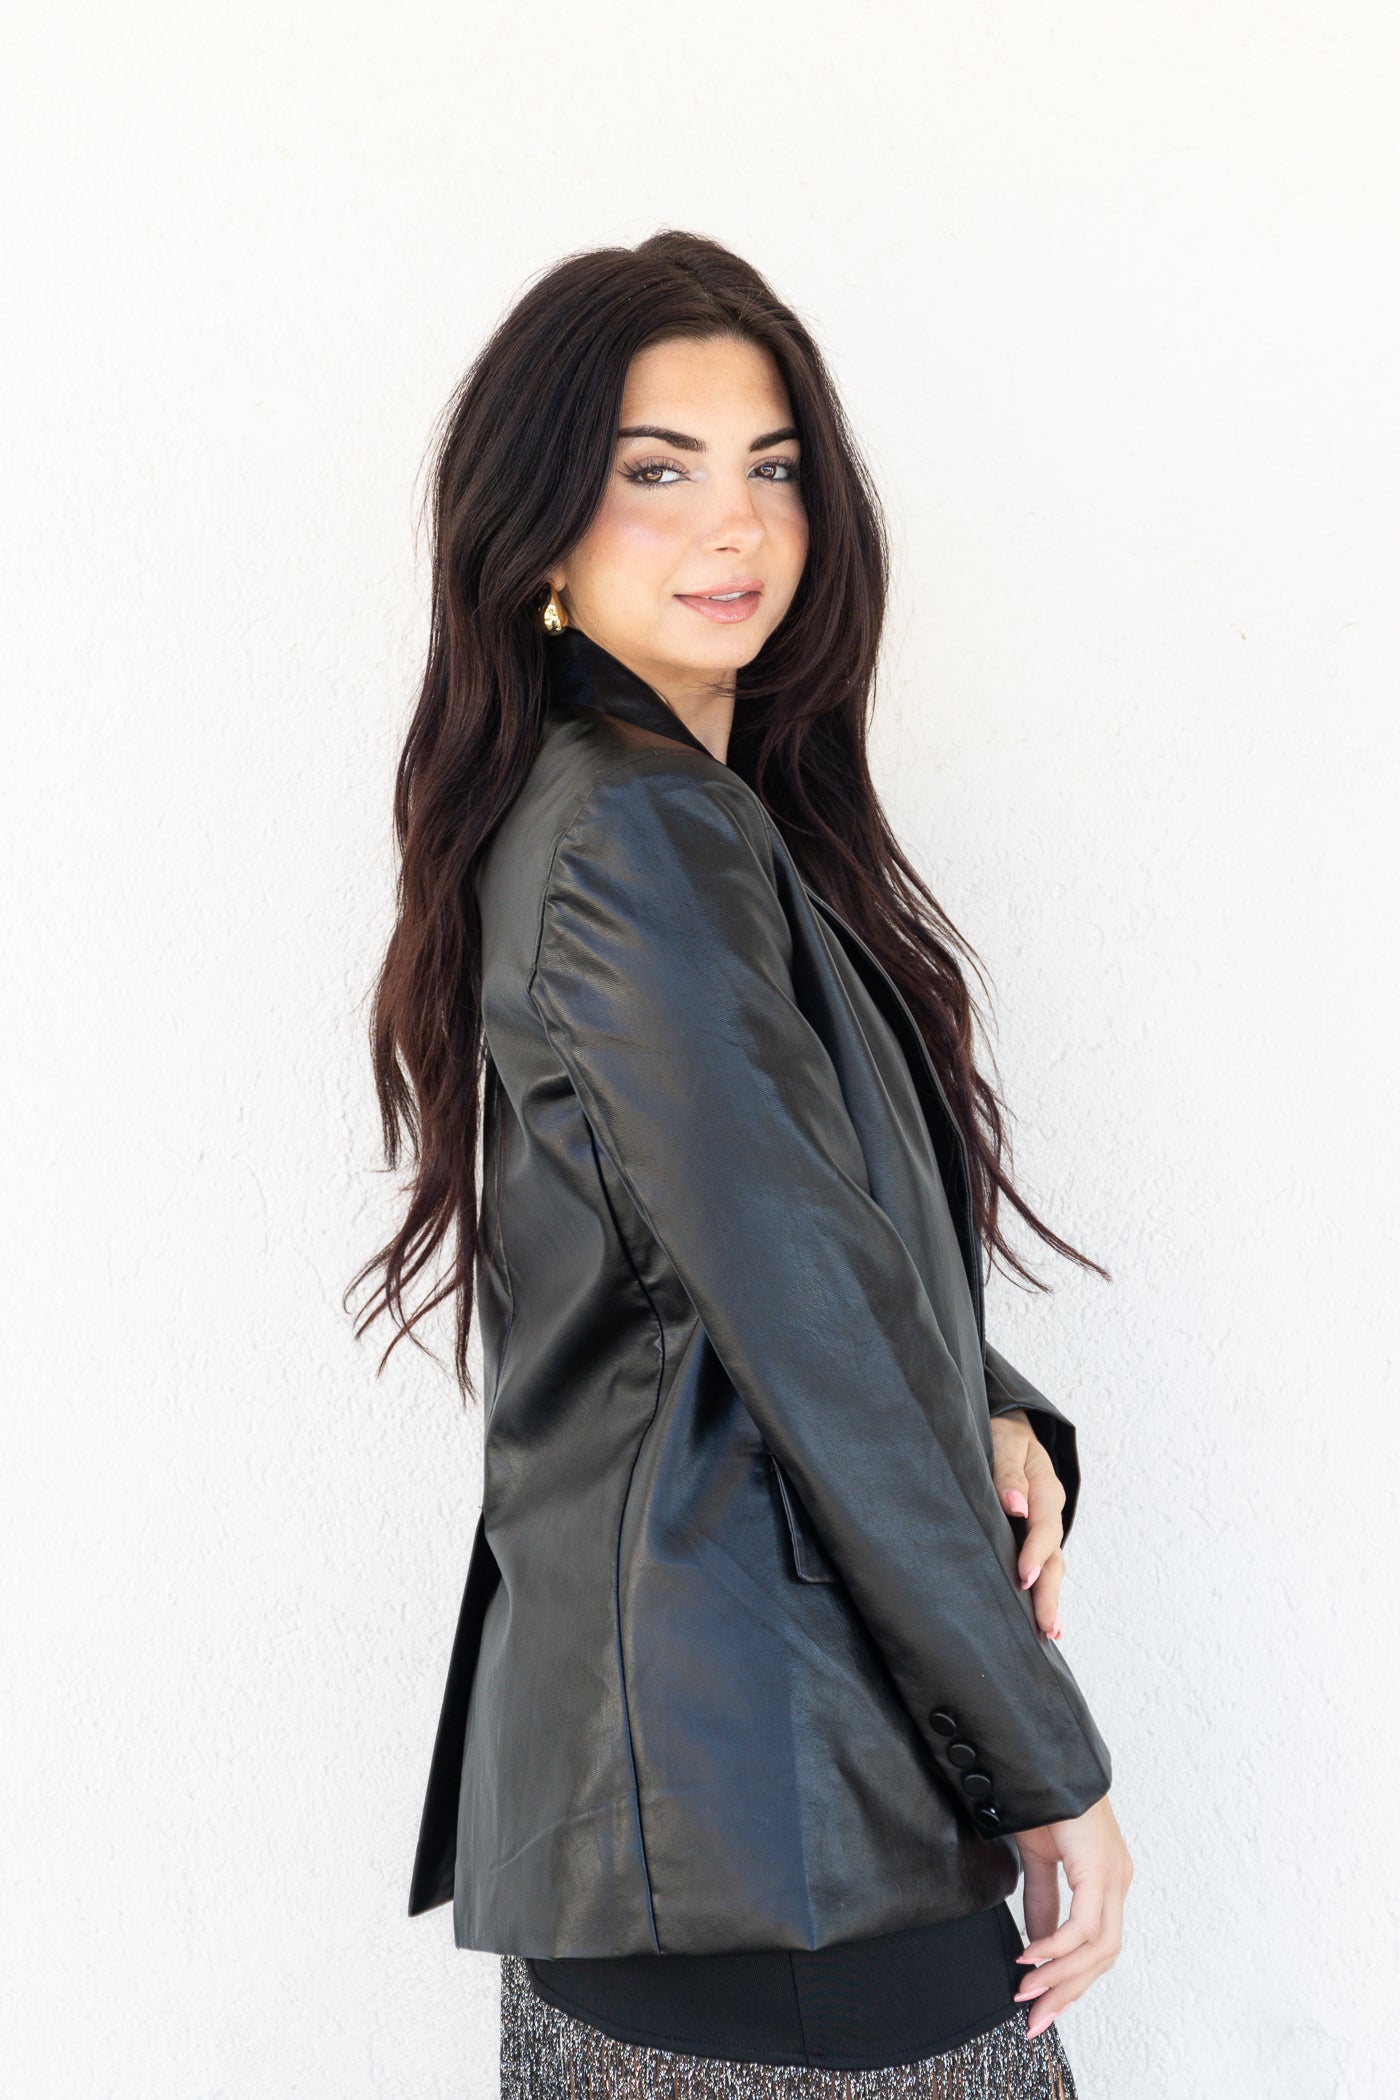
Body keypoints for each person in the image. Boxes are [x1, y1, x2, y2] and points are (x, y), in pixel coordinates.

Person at [350, 229, 1133, 2098]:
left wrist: (989, 1399)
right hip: (773, 1825)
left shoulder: (658, 814)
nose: (735, 525)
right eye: (657, 469)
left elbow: (766, 1255)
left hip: (713, 1821)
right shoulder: (637, 838)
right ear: (540, 534)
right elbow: (821, 1347)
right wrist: (1050, 1767)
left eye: (772, 465)